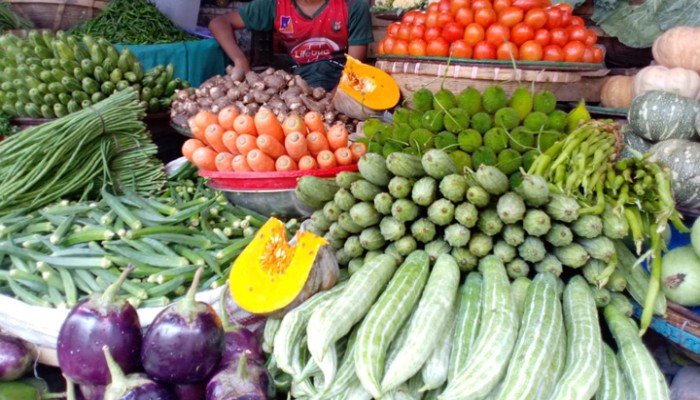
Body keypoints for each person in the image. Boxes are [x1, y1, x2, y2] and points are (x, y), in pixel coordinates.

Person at [209, 0, 374, 91]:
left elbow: (355, 69)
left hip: (343, 81)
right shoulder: (275, 4)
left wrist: (334, 100)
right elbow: (220, 22)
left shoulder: (353, 5)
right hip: (300, 83)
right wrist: (240, 60)